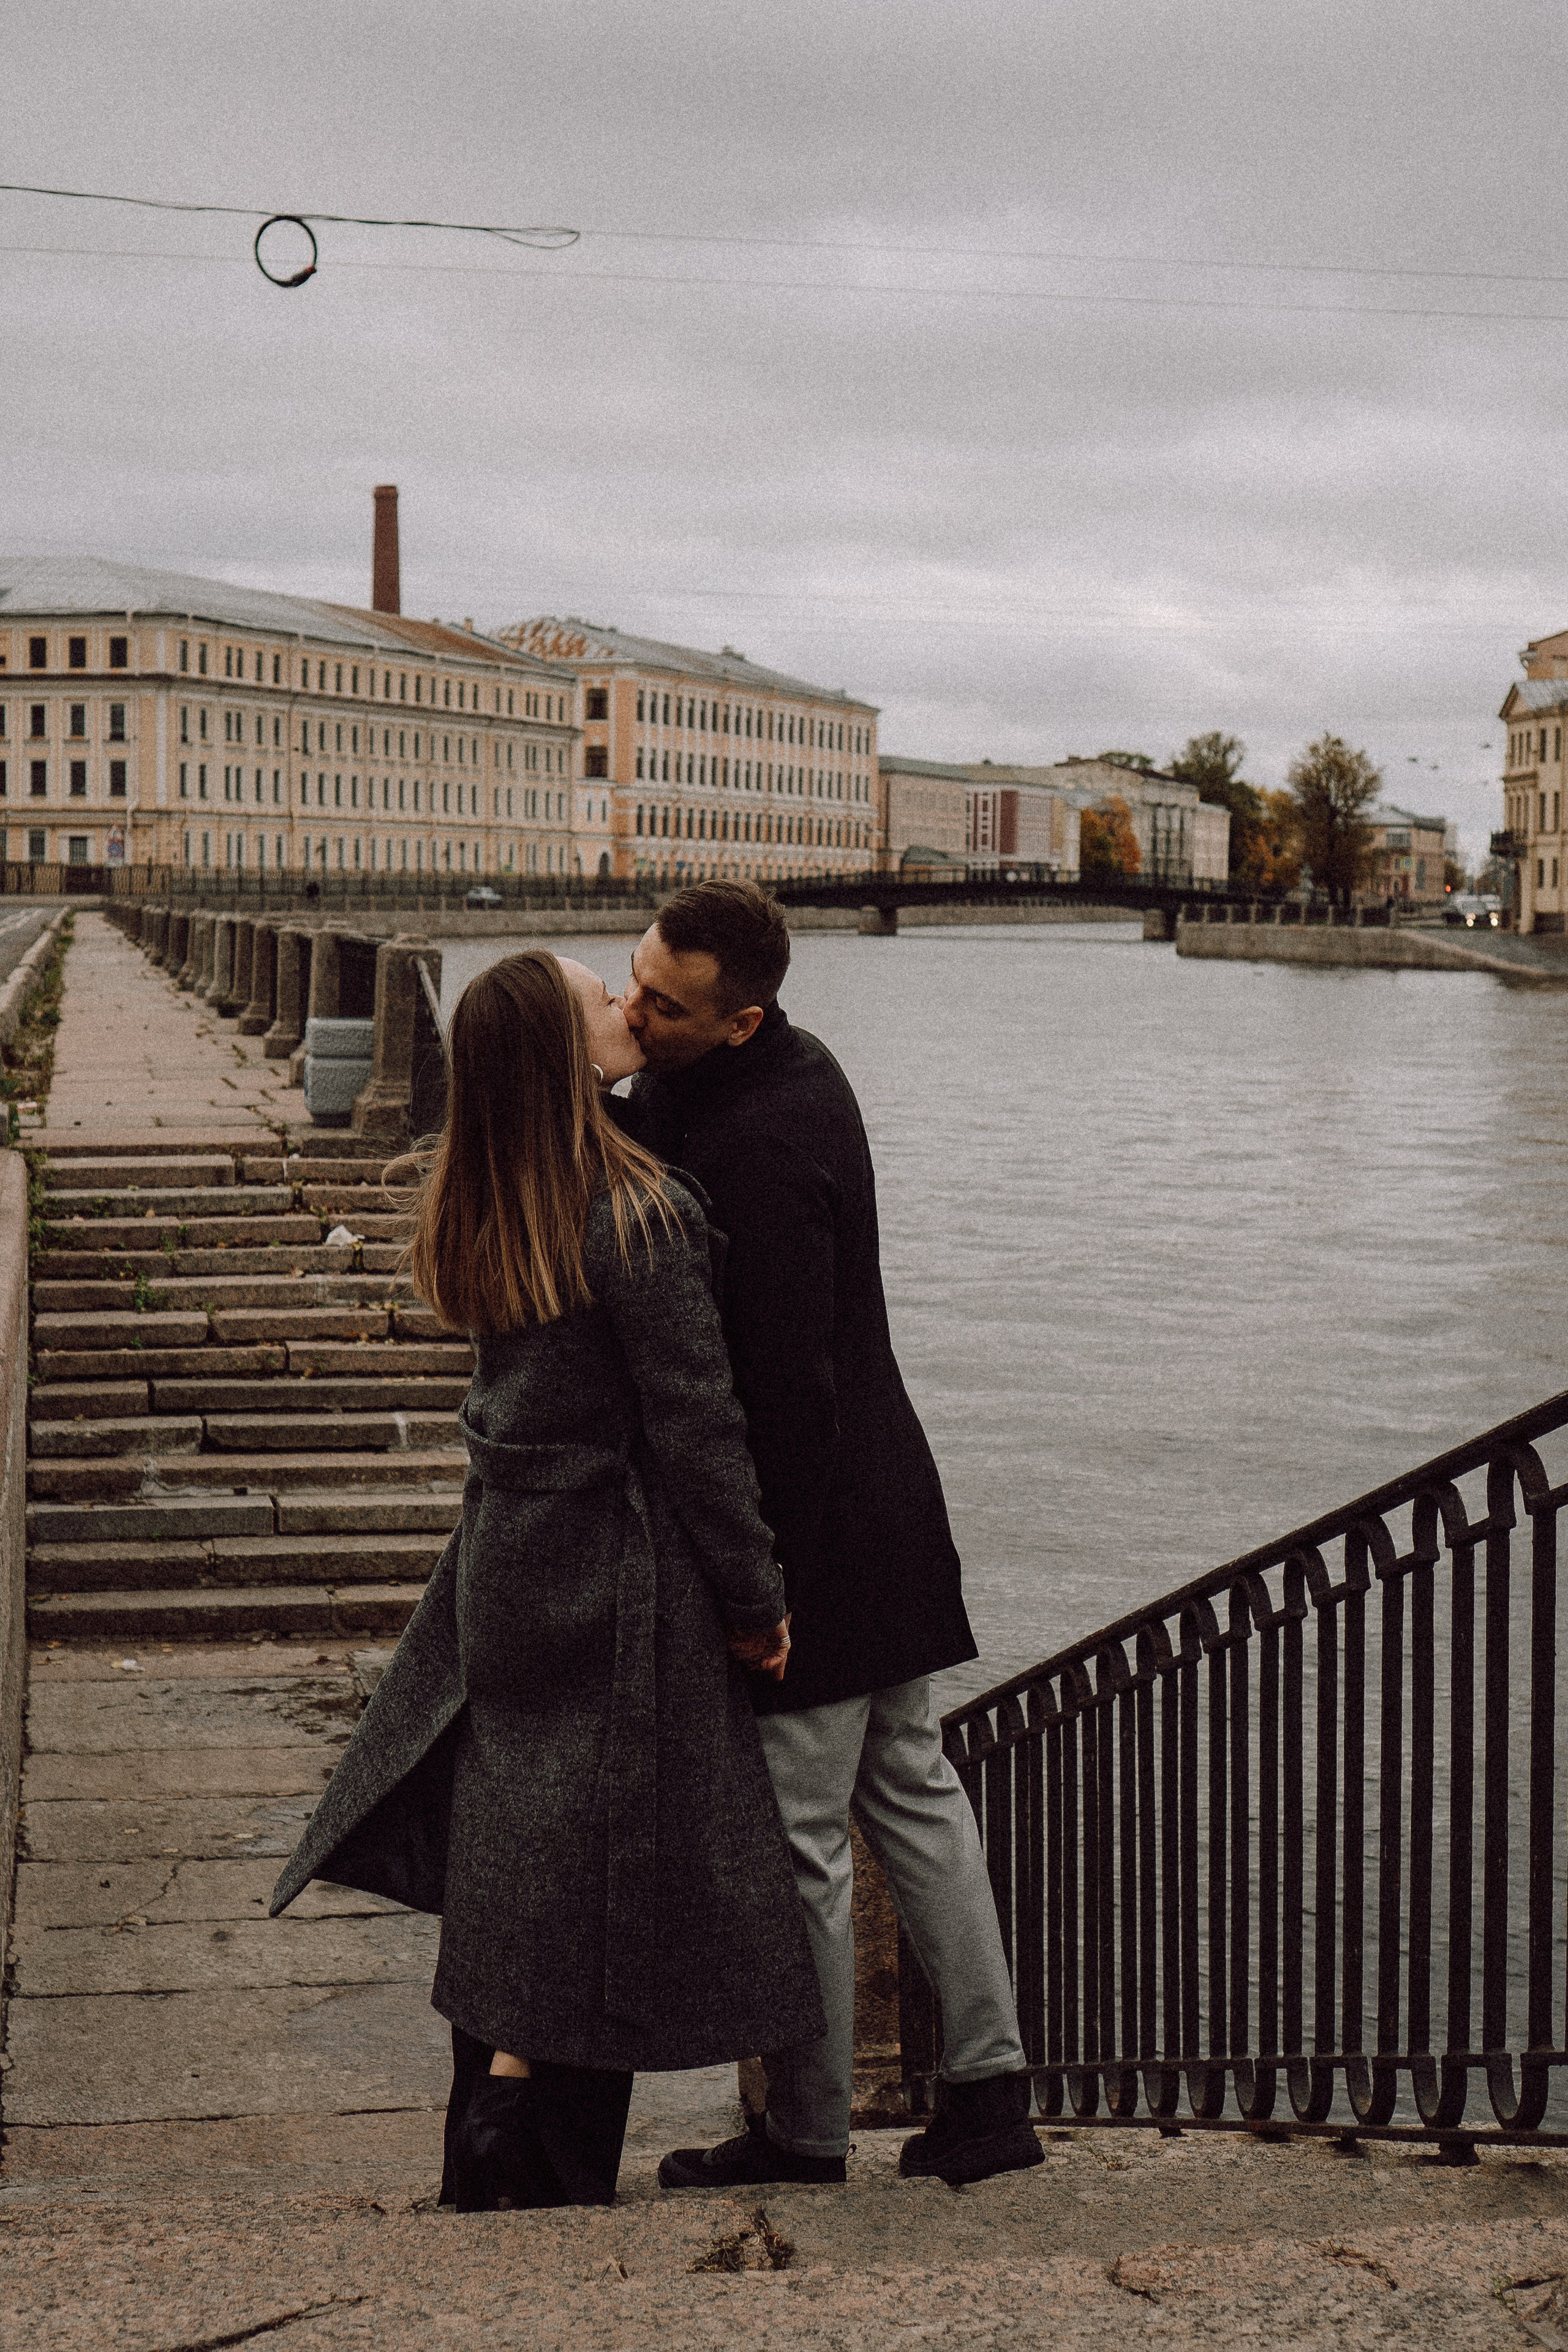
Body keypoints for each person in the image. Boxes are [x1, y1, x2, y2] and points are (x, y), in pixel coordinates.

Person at [270, 949, 823, 2211]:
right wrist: (755, 1603)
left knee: (520, 1841)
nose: (626, 1008)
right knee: (611, 1871)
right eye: (600, 1001)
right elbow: (699, 1430)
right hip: (616, 1574)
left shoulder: (481, 1196)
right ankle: (536, 2155)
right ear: (566, 1056)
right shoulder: (639, 1214)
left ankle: (491, 2114)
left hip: (507, 1563)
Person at [614, 880, 1042, 2193]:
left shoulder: (752, 1147)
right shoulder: (799, 1069)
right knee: (912, 1794)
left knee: (802, 1837)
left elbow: (780, 1391)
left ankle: (802, 2135)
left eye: (661, 1006)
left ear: (739, 1022)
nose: (634, 1012)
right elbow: (668, 1112)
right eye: (629, 980)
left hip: (822, 1538)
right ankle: (987, 2095)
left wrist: (762, 1593)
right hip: (892, 1507)